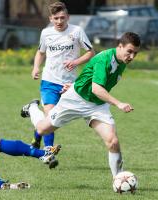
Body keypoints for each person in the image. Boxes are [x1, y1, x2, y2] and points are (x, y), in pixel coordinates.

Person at [21, 32, 140, 178]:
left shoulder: (122, 61)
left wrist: (76, 83)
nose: (132, 57)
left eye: (135, 53)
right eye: (129, 51)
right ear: (119, 46)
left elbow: (90, 77)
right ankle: (32, 108)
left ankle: (119, 179)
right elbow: (97, 89)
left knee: (112, 141)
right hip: (75, 100)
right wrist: (118, 103)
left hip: (97, 105)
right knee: (42, 129)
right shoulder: (105, 59)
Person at [29, 2, 95, 149]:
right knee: (51, 116)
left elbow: (91, 52)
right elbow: (40, 52)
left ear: (68, 17)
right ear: (50, 19)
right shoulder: (46, 33)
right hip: (49, 81)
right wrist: (35, 68)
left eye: (62, 18)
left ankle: (36, 130)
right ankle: (48, 151)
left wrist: (76, 61)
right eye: (56, 18)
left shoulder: (77, 31)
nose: (59, 21)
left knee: (57, 119)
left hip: (70, 84)